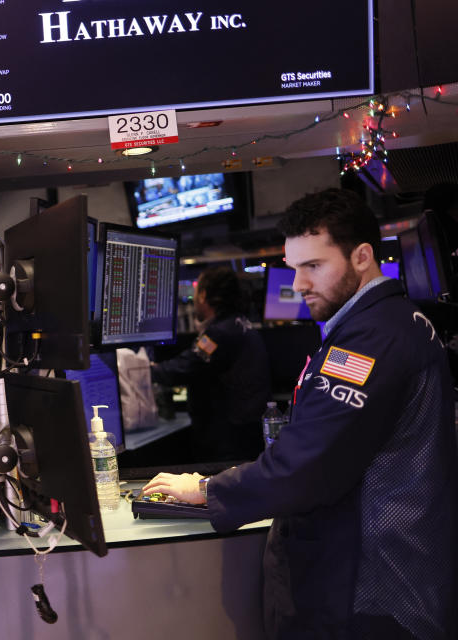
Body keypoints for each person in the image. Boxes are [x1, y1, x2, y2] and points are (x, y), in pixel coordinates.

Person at [142, 188, 457, 639]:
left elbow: (302, 470)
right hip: (398, 573)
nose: (300, 284)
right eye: (295, 269)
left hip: (369, 589)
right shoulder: (397, 320)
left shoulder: (367, 341)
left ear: (362, 256)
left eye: (314, 266)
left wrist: (207, 489)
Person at [151, 265, 270, 461]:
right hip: (245, 432)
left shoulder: (219, 334)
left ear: (203, 295)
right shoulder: (241, 323)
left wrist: (144, 371)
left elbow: (184, 367)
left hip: (227, 439)